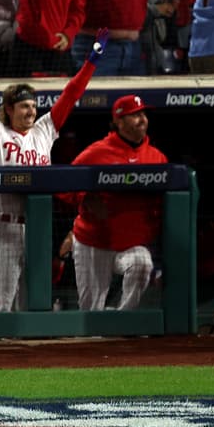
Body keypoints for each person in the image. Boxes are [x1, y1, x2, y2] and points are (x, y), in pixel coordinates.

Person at [0, 30, 106, 312]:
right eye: (25, 106)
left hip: (38, 227)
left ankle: (34, 356)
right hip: (6, 227)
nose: (31, 112)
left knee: (35, 303)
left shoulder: (44, 131)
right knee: (2, 304)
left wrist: (90, 64)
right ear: (9, 109)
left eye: (34, 106)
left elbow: (71, 95)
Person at [61, 95, 169, 311]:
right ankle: (99, 329)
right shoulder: (97, 152)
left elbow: (164, 201)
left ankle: (122, 318)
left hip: (131, 244)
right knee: (91, 311)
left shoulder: (156, 157)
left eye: (143, 114)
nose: (142, 119)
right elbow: (63, 185)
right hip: (93, 242)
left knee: (142, 264)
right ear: (119, 121)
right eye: (134, 115)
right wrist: (85, 198)